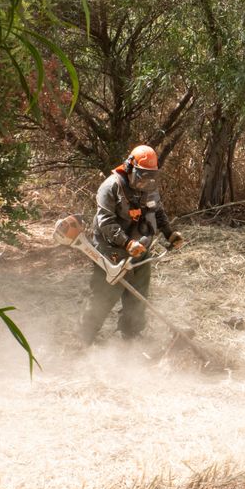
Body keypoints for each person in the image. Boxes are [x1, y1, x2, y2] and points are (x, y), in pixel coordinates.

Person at [78, 145, 183, 344]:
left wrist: (170, 234)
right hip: (112, 251)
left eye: (151, 175)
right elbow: (105, 221)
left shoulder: (149, 187)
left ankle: (131, 337)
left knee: (138, 295)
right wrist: (126, 243)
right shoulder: (111, 187)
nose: (146, 180)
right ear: (129, 167)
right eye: (142, 174)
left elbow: (157, 212)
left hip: (140, 249)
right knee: (104, 295)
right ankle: (84, 340)